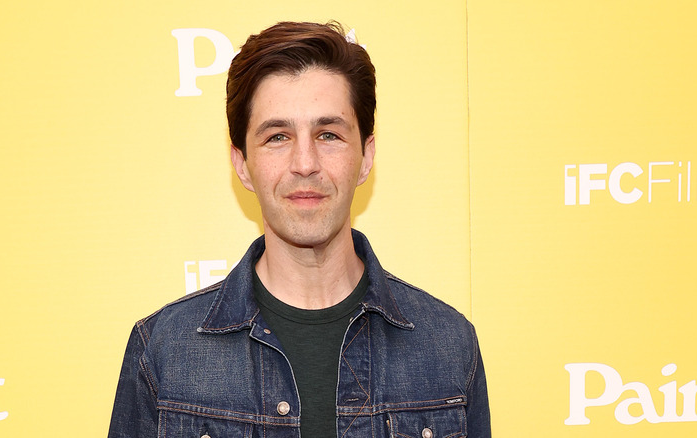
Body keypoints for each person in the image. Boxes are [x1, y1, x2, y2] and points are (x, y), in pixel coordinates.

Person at [108, 21, 490, 437]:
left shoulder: (449, 346)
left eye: (328, 134)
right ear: (242, 164)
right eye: (277, 137)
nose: (305, 163)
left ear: (365, 156)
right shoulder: (163, 353)